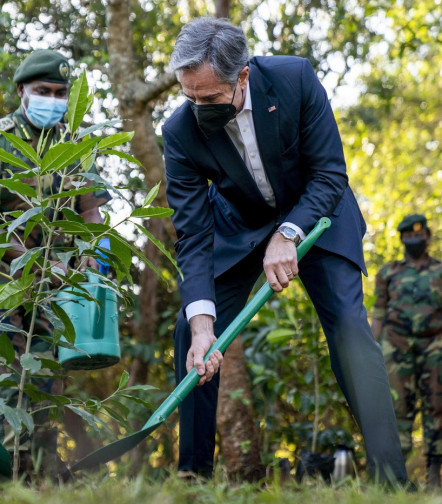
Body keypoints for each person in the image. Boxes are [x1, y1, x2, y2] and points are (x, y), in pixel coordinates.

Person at [162, 17, 408, 485]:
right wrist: (202, 324)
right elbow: (193, 234)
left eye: (209, 98)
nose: (198, 109)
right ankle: (192, 480)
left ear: (243, 76)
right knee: (189, 333)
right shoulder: (179, 132)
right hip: (238, 227)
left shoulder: (294, 79)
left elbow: (331, 173)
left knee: (350, 329)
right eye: (188, 97)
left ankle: (390, 478)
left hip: (317, 214)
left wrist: (290, 233)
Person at [0, 49, 111, 477]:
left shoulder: (77, 145)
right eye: (42, 91)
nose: (53, 98)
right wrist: (31, 262)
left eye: (60, 92)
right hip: (2, 288)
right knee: (6, 388)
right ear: (21, 91)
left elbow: (91, 211)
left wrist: (92, 253)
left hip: (57, 291)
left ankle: (39, 482)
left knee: (47, 389)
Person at [371, 214, 442, 486]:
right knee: (396, 406)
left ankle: (434, 474)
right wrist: (372, 351)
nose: (415, 239)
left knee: (437, 406)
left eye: (419, 235)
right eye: (409, 236)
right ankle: (395, 477)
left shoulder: (439, 270)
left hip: (434, 344)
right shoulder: (388, 272)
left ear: (427, 236)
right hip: (396, 344)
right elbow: (378, 314)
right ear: (401, 239)